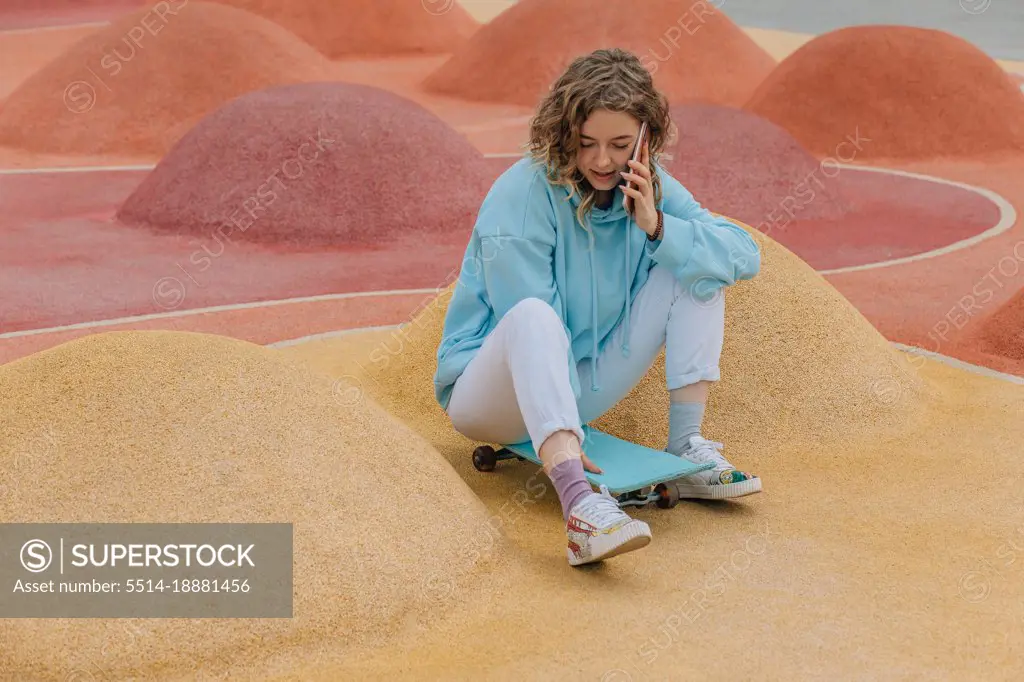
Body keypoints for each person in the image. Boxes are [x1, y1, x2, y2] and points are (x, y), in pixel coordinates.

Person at [433, 48, 763, 567]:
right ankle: (581, 509)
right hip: (490, 396)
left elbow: (743, 254)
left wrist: (658, 227)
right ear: (562, 134)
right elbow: (529, 319)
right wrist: (567, 429)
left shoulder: (648, 184)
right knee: (533, 316)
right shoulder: (520, 194)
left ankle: (687, 446)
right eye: (585, 144)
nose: (603, 161)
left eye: (619, 144)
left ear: (646, 137)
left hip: (578, 388)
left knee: (699, 269)